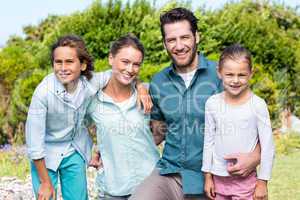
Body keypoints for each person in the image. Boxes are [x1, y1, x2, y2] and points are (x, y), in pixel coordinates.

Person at [129, 7, 261, 200]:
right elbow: (157, 133)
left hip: (217, 177)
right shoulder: (159, 81)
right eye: (171, 40)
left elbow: (254, 123)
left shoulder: (222, 75)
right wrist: (109, 148)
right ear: (165, 43)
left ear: (197, 37)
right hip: (171, 173)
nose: (179, 45)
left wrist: (255, 157)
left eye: (185, 37)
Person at [25, 35, 152, 200]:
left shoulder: (90, 82)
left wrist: (141, 87)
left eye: (69, 62)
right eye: (58, 62)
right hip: (46, 152)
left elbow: (123, 74)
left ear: (83, 65)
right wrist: (45, 182)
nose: (63, 68)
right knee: (46, 195)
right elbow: (34, 144)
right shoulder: (43, 93)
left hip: (74, 149)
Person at [86, 33, 160, 200]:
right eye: (125, 62)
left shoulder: (148, 93)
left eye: (136, 65)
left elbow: (165, 128)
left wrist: (140, 85)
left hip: (151, 188)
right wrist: (94, 150)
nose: (130, 69)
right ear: (111, 58)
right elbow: (75, 127)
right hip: (112, 190)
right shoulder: (93, 102)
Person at [202, 44, 275, 200]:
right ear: (219, 73)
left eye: (241, 75)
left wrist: (262, 182)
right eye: (229, 74)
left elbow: (268, 146)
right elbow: (208, 141)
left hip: (246, 182)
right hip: (218, 180)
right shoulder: (212, 103)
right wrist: (207, 177)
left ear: (250, 74)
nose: (235, 80)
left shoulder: (258, 105)